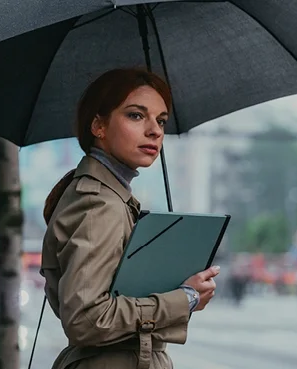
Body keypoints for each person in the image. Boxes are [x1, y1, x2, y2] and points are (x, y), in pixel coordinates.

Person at [40, 68, 220, 369]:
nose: (155, 130)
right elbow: (85, 318)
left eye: (161, 120)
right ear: (98, 125)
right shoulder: (99, 205)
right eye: (136, 116)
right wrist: (184, 298)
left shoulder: (107, 197)